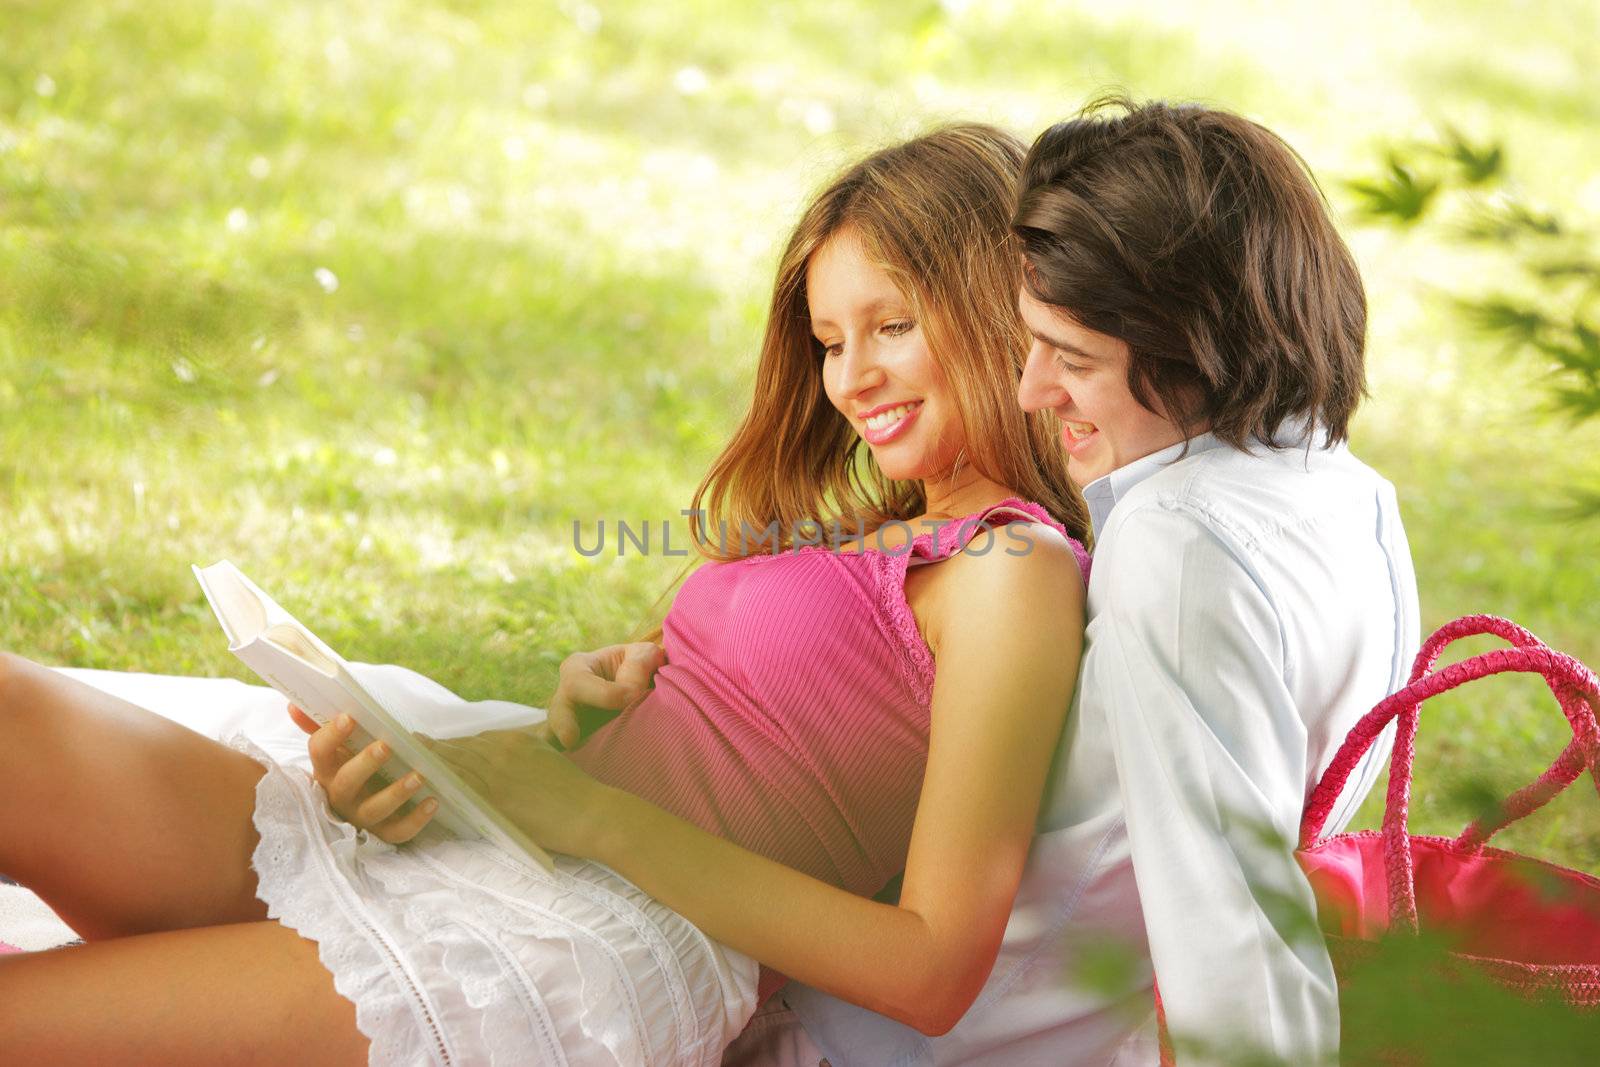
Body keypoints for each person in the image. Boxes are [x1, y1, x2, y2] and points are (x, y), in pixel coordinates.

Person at [0, 124, 1093, 1066]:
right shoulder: (885, 531)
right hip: (487, 849)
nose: (849, 379)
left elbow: (932, 964)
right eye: (827, 341)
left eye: (890, 325)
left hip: (576, 941)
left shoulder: (1014, 570)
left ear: (1004, 307)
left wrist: (591, 812)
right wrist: (567, 732)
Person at [566, 98, 1422, 1066]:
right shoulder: (1349, 499)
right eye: (1032, 342)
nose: (1031, 387)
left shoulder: (1172, 550)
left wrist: (587, 809)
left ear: (1196, 345)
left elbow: (1228, 926)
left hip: (886, 1038)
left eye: (1074, 356)